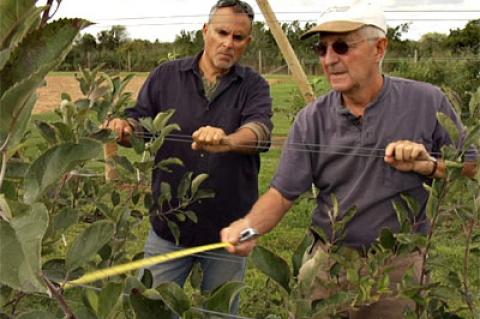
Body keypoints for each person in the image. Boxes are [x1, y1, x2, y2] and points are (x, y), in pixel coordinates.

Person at [221, 1, 477, 318]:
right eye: (322, 49)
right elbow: (282, 194)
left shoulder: (427, 102)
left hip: (399, 269)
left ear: (379, 48)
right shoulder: (311, 120)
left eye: (342, 47)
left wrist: (430, 165)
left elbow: (470, 166)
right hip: (328, 265)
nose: (330, 60)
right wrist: (247, 229)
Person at [107, 0, 273, 313]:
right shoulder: (165, 76)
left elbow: (260, 131)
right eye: (222, 32)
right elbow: (140, 122)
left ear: (247, 43)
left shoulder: (254, 85)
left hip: (231, 229)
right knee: (150, 308)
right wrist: (124, 128)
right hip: (168, 227)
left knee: (219, 311)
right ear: (205, 31)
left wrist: (227, 141)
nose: (228, 43)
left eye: (238, 38)